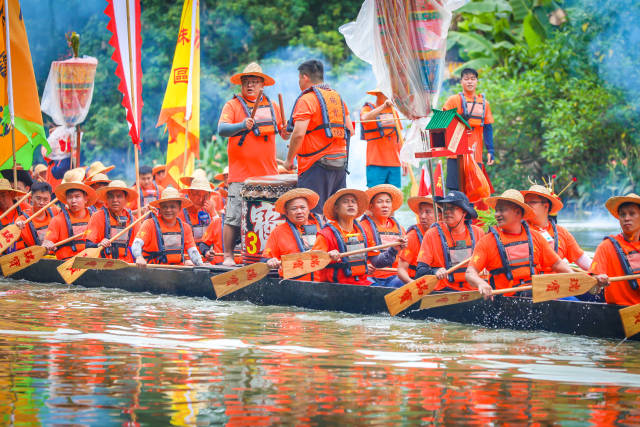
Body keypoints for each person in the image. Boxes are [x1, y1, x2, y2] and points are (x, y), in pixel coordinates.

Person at [217, 62, 285, 266]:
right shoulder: (232, 105)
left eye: (255, 82)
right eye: (247, 82)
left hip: (268, 173)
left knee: (269, 216)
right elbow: (222, 129)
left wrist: (286, 132)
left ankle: (268, 256)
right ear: (241, 84)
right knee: (234, 215)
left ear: (262, 85)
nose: (250, 86)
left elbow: (280, 129)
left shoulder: (272, 105)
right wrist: (241, 125)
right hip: (241, 174)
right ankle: (228, 255)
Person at [465, 189, 572, 297]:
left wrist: (574, 276)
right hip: (505, 301)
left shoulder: (536, 237)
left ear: (517, 212)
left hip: (535, 296)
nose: (497, 214)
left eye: (502, 210)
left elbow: (557, 264)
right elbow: (470, 273)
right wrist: (480, 283)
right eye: (496, 210)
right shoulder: (487, 241)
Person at [284, 59, 353, 216]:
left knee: (313, 215)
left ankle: (315, 241)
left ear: (305, 77)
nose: (299, 82)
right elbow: (350, 130)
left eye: (299, 78)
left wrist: (289, 161)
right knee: (335, 215)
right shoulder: (337, 98)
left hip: (315, 166)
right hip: (340, 165)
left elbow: (299, 134)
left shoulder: (306, 99)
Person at [312, 188, 399, 285]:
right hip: (336, 286)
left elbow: (377, 262)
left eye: (353, 202)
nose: (350, 204)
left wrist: (393, 250)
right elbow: (313, 262)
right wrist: (327, 257)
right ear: (336, 208)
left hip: (362, 283)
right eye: (345, 202)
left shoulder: (363, 232)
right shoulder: (326, 234)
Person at [416, 191, 484, 291]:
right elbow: (420, 272)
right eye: (445, 208)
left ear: (464, 212)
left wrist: (487, 267)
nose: (447, 211)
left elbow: (491, 263)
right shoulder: (432, 234)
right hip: (445, 291)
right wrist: (435, 271)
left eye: (452, 208)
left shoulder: (478, 233)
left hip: (474, 290)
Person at [442, 68, 494, 192]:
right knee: (455, 190)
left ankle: (471, 211)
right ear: (461, 82)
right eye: (466, 79)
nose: (469, 82)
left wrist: (490, 150)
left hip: (475, 154)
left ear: (476, 81)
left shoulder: (484, 103)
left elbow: (488, 128)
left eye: (472, 79)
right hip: (455, 153)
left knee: (473, 190)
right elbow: (442, 121)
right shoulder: (453, 100)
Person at [522, 184, 591, 272]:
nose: (527, 206)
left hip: (557, 283)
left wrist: (599, 272)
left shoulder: (562, 232)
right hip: (531, 283)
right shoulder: (519, 229)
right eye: (525, 203)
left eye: (532, 202)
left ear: (546, 206)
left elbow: (581, 259)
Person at [131, 187, 204, 266]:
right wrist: (139, 257)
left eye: (172, 207)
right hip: (153, 270)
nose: (168, 210)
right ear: (160, 208)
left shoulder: (185, 227)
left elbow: (193, 251)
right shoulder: (149, 224)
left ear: (179, 208)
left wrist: (201, 265)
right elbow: (137, 243)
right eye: (165, 207)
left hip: (178, 271)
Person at [589, 194, 640, 306]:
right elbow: (592, 290)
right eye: (622, 214)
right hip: (619, 313)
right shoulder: (605, 247)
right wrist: (597, 281)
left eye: (632, 214)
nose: (626, 218)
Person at [262, 188, 323, 281]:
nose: (299, 211)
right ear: (286, 213)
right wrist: (270, 261)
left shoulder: (321, 227)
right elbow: (266, 258)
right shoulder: (278, 232)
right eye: (294, 208)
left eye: (303, 207)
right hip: (292, 284)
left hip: (323, 283)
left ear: (309, 210)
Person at [42, 169, 97, 260]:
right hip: (66, 267)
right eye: (70, 197)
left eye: (77, 196)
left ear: (86, 199)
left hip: (92, 265)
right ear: (66, 200)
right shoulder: (57, 220)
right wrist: (46, 246)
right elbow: (47, 243)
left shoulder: (96, 218)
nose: (73, 201)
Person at [359, 184, 407, 287]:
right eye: (380, 202)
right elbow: (354, 257)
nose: (385, 205)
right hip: (370, 277)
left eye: (388, 201)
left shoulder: (401, 229)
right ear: (371, 206)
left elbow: (407, 257)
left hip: (395, 276)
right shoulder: (361, 227)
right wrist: (363, 267)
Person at [360, 89, 406, 187]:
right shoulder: (368, 108)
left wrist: (404, 160)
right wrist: (383, 106)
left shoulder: (393, 111)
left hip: (394, 163)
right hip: (375, 162)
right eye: (385, 94)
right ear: (377, 95)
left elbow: (399, 138)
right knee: (374, 195)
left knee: (395, 196)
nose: (388, 96)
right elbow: (364, 118)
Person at [85, 180, 139, 262]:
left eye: (119, 196)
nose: (115, 200)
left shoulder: (133, 220)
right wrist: (99, 244)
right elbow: (88, 245)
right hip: (103, 265)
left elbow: (139, 246)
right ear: (107, 199)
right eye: (111, 196)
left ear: (126, 199)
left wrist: (139, 257)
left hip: (127, 265)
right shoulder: (97, 217)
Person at [397, 196, 437, 283]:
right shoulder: (411, 237)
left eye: (427, 212)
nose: (422, 216)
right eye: (421, 212)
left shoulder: (445, 234)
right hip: (415, 281)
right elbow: (401, 270)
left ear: (439, 215)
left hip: (438, 281)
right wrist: (411, 283)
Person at [179, 175, 216, 256]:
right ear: (189, 193)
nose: (200, 200)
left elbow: (219, 235)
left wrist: (213, 213)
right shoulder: (178, 211)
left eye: (205, 196)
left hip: (208, 259)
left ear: (209, 196)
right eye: (197, 194)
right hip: (187, 260)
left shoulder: (209, 209)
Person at [16, 181, 58, 248]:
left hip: (56, 255)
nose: (41, 202)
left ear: (50, 199)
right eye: (38, 198)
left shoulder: (55, 211)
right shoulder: (23, 219)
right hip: (35, 256)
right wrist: (17, 227)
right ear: (31, 198)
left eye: (45, 199)